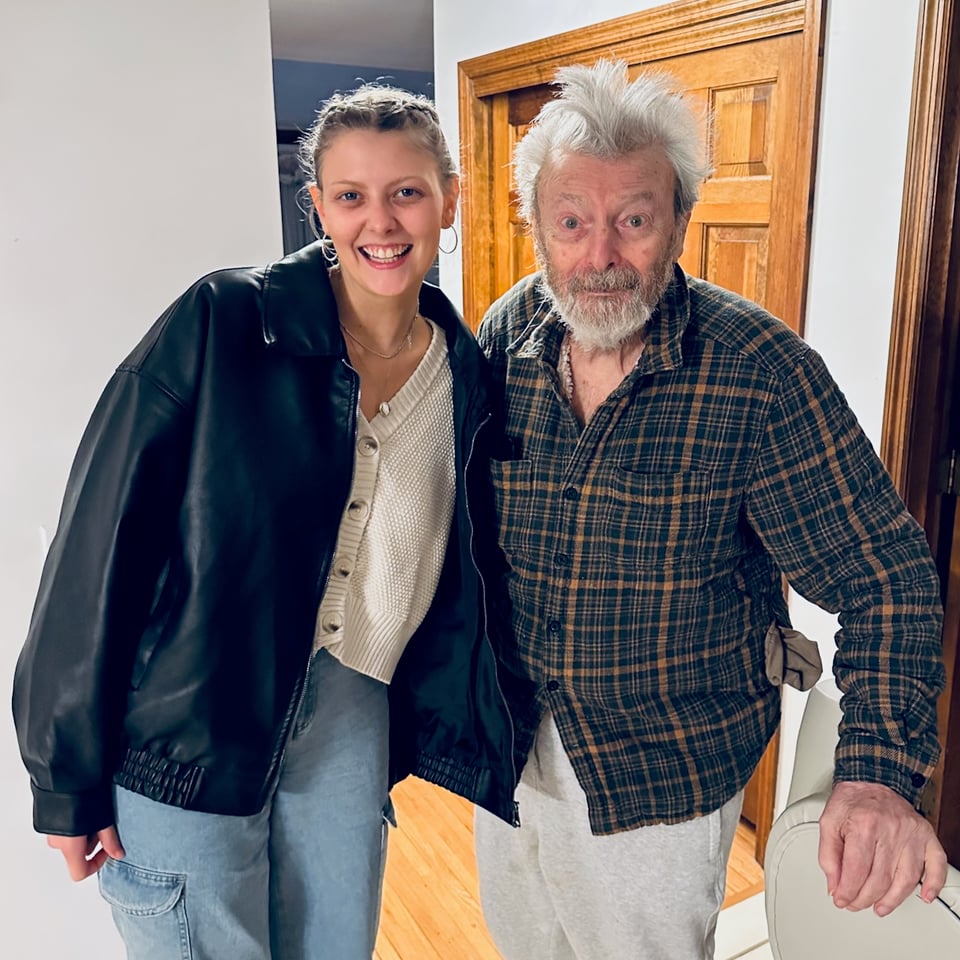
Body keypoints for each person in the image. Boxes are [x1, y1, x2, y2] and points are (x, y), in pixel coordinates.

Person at [12, 83, 518, 960]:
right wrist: (66, 778)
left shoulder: (466, 376)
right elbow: (97, 549)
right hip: (191, 722)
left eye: (406, 191)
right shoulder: (222, 323)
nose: (381, 222)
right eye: (351, 195)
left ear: (450, 199)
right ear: (318, 205)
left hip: (352, 719)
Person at [473, 59, 948, 960]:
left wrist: (879, 777)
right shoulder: (505, 337)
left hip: (661, 780)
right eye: (572, 222)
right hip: (512, 748)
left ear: (680, 223)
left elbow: (887, 579)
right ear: (536, 226)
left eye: (634, 220)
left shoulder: (761, 375)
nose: (600, 256)